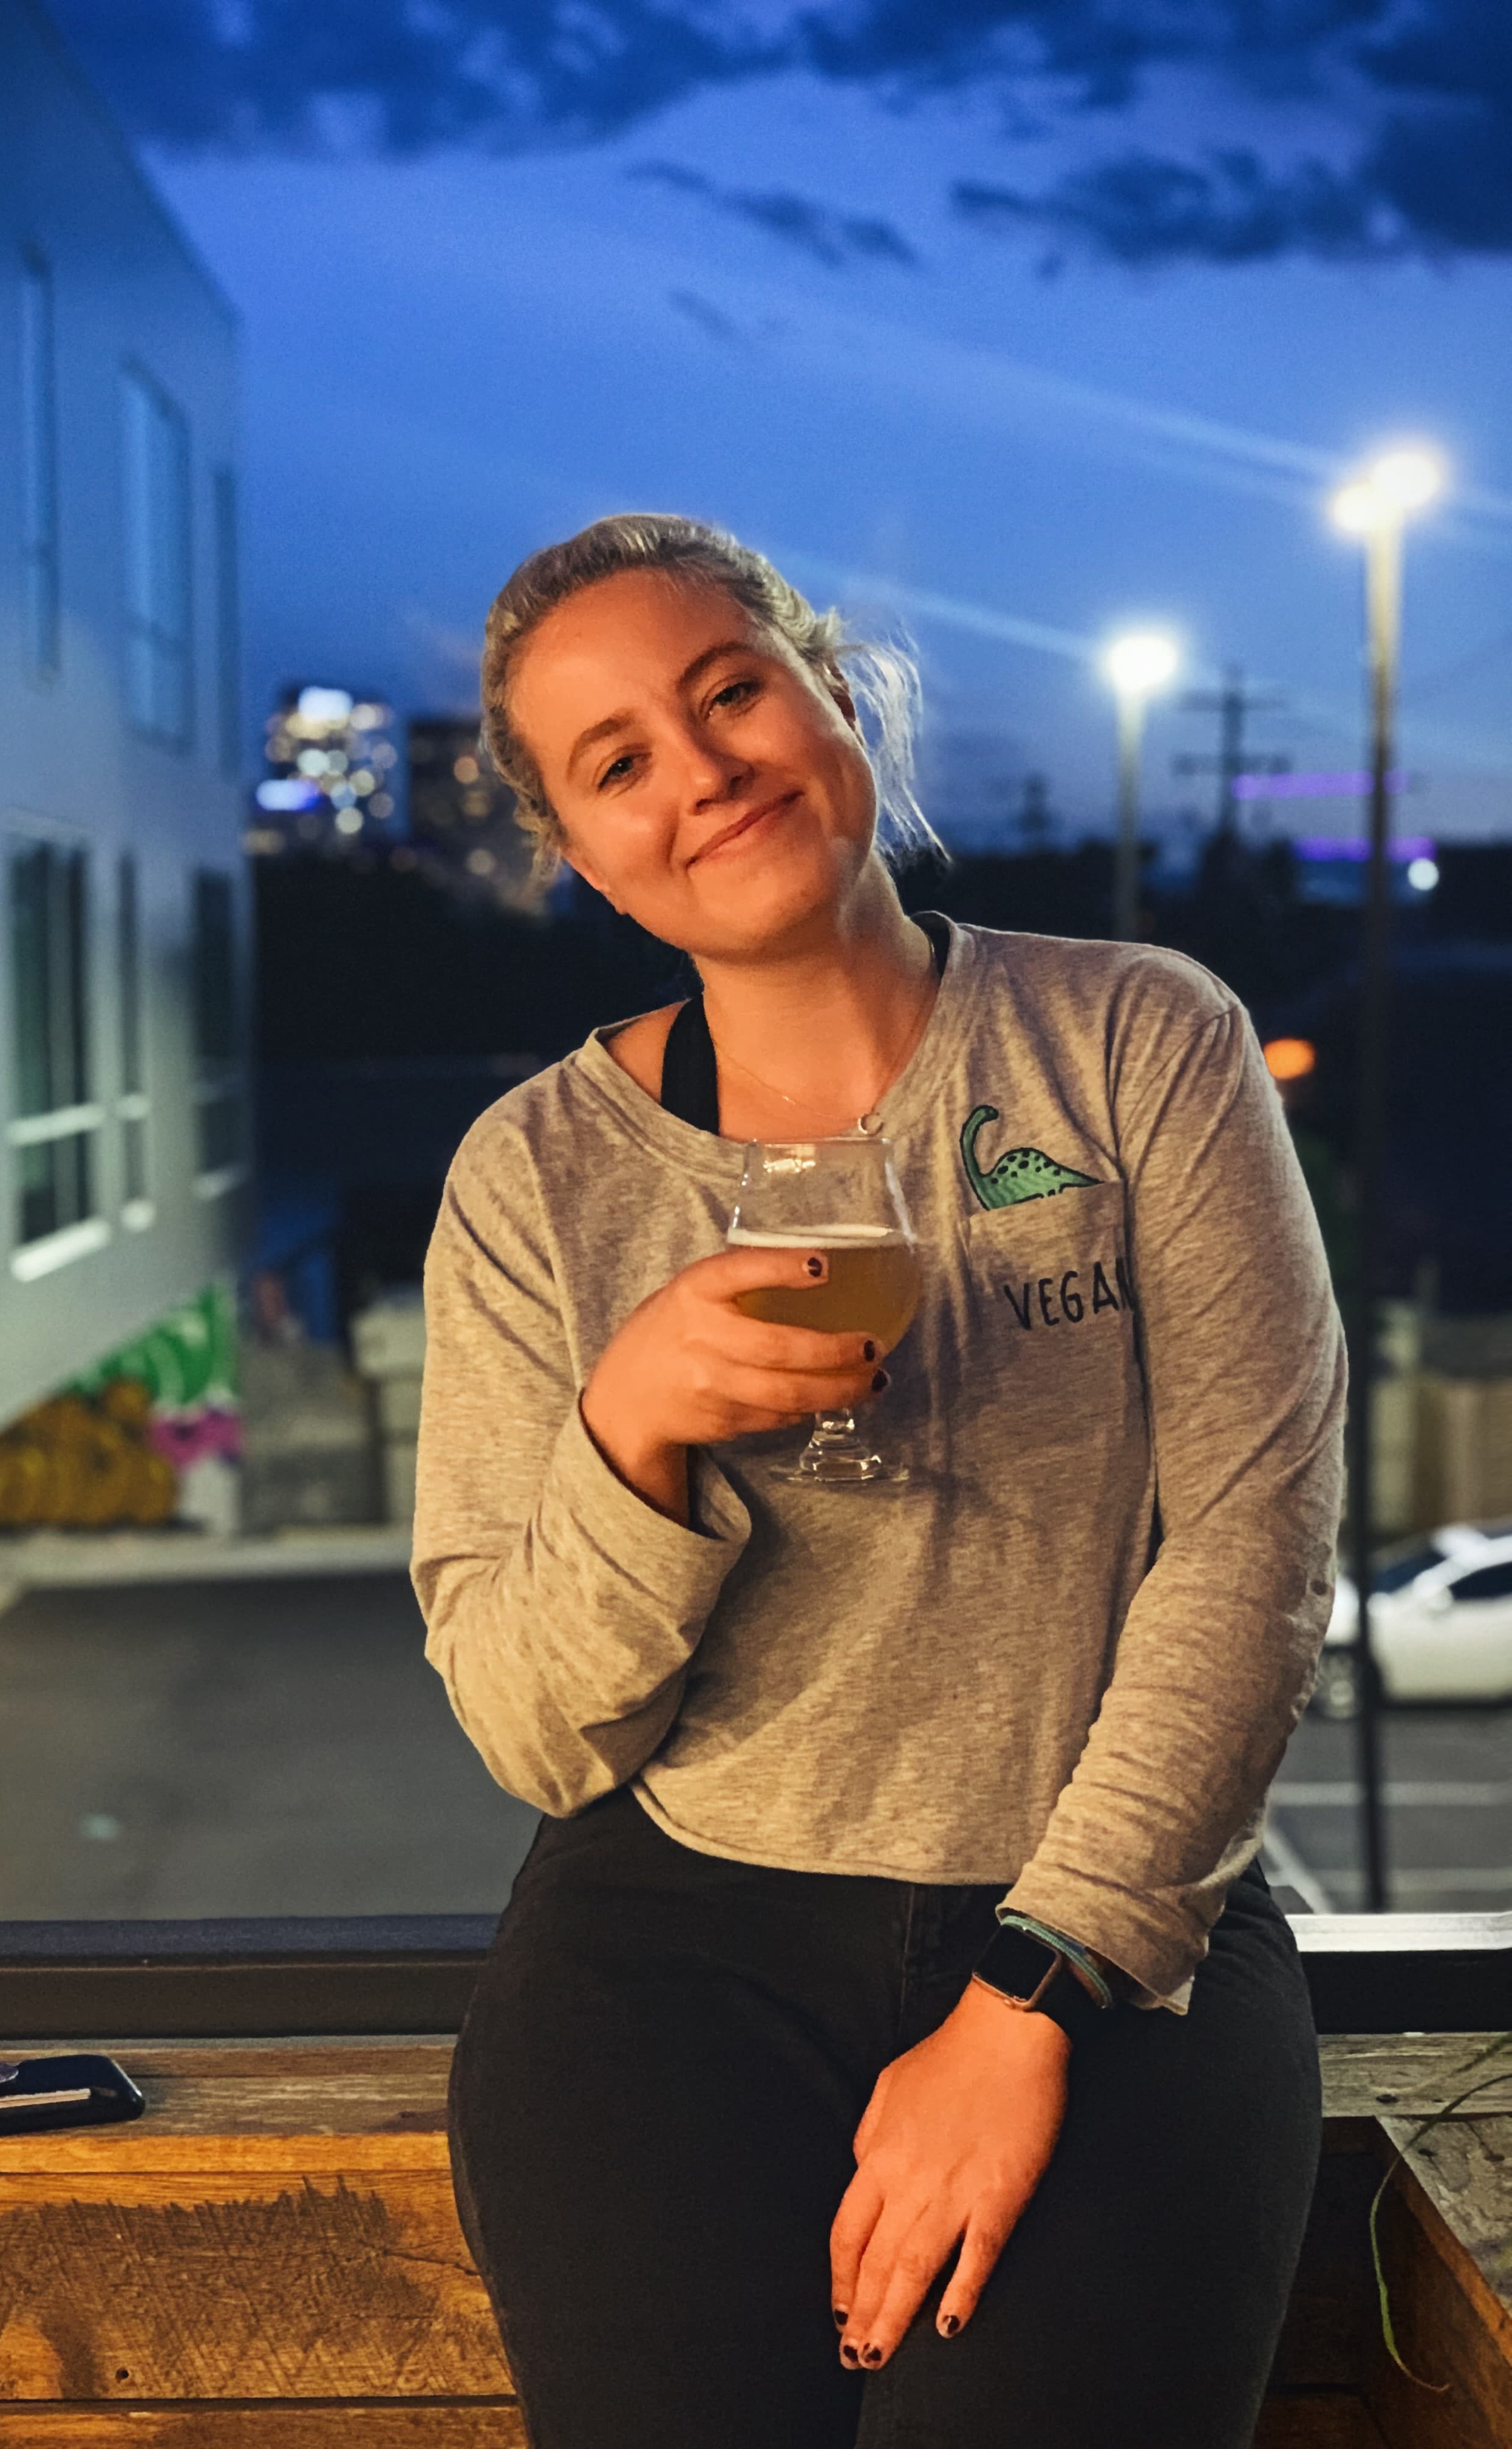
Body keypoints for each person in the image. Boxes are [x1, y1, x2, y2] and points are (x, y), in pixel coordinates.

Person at [411, 513, 1344, 2449]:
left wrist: (1028, 1998)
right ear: (583, 859)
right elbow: (529, 1731)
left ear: (833, 692)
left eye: (728, 691)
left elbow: (1254, 1550)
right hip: (669, 1954)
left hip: (1110, 1931)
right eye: (618, 765)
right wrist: (631, 1427)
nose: (704, 773)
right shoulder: (535, 1182)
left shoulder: (1136, 1042)